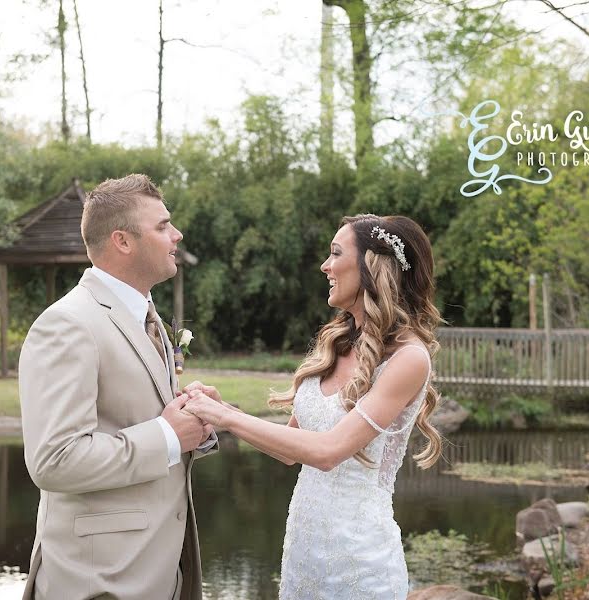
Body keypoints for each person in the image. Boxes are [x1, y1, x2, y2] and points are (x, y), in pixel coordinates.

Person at [182, 214, 443, 599]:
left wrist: (225, 419)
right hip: (303, 552)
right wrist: (230, 410)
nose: (325, 265)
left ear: (373, 266)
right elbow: (292, 449)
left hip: (360, 562)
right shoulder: (336, 342)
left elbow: (327, 453)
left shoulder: (408, 358)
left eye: (336, 253)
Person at [18, 174, 218, 600]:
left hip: (161, 573)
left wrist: (196, 421)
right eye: (163, 226)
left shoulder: (145, 316)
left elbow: (135, 417)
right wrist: (167, 435)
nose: (176, 235)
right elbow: (54, 460)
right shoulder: (67, 323)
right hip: (100, 582)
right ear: (123, 241)